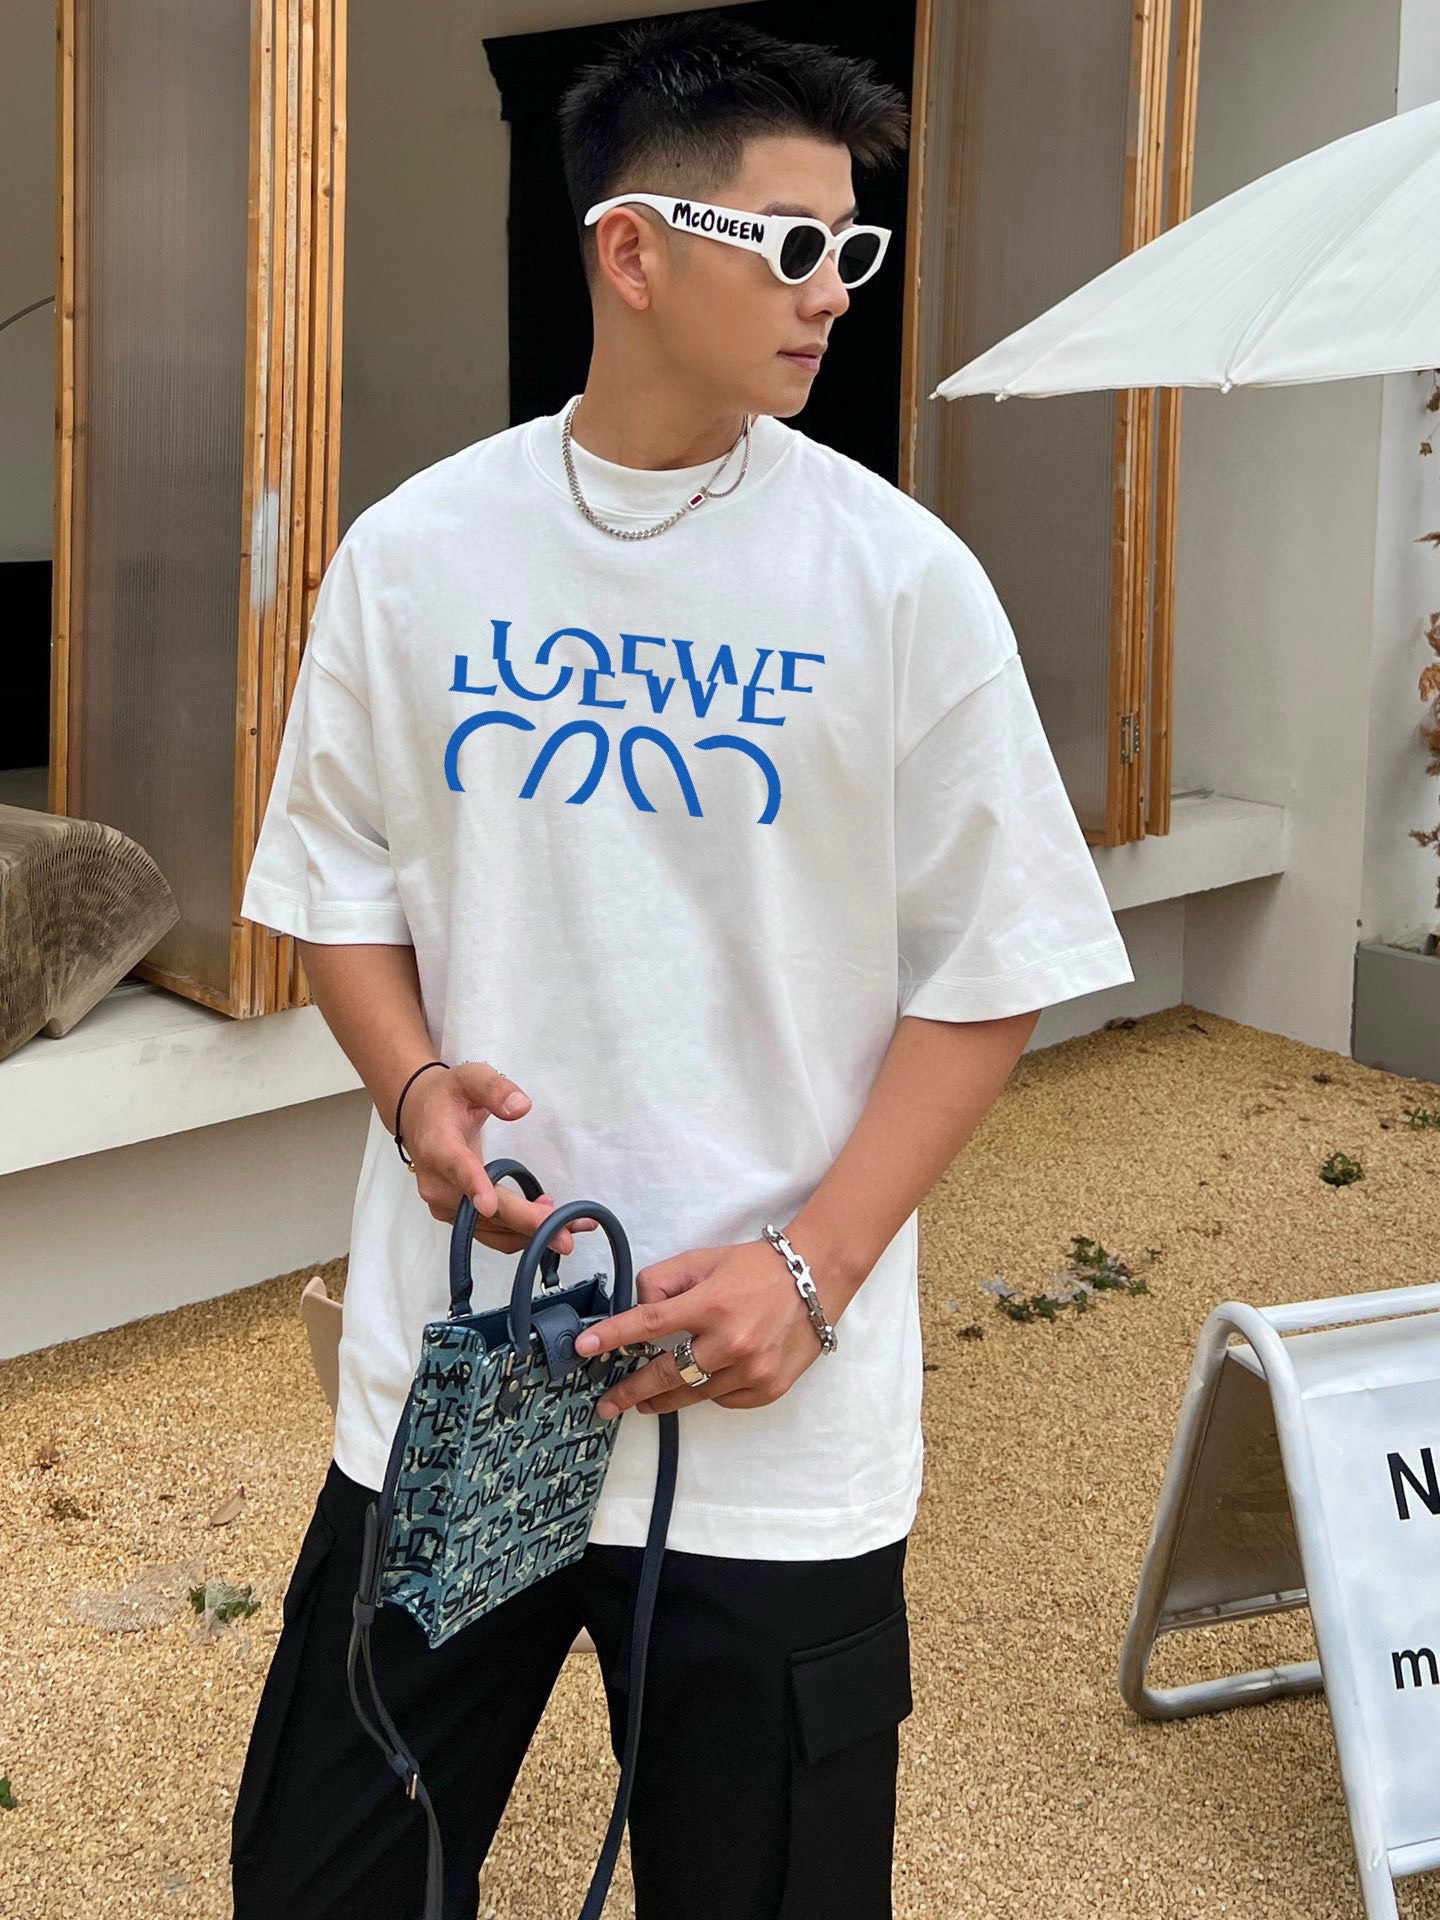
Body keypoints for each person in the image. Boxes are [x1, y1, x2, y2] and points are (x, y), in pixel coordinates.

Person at [229, 13, 1135, 1919]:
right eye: (793, 244)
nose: (834, 291)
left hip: (764, 1402)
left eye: (851, 247)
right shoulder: (417, 554)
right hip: (479, 1369)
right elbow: (340, 882)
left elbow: (992, 961)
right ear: (631, 251)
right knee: (329, 1878)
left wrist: (816, 1271)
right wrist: (412, 1087)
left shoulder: (898, 580)